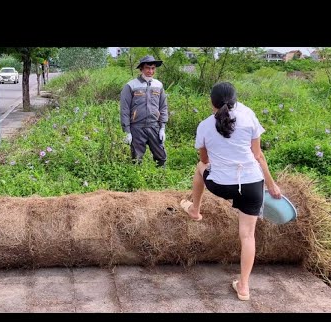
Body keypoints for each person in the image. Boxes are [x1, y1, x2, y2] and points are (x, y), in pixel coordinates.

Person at [181, 81, 281, 301]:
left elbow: (205, 160)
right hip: (252, 184)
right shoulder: (249, 118)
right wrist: (271, 186)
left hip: (222, 185)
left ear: (211, 102)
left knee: (200, 169)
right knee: (247, 236)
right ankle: (244, 287)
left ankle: (195, 210)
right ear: (236, 101)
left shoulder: (204, 125)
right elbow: (259, 156)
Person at [120, 55, 168, 167]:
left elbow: (163, 107)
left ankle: (161, 178)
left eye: (153, 68)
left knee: (161, 157)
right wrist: (127, 131)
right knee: (136, 158)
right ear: (141, 68)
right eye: (147, 68)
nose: (150, 71)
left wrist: (162, 128)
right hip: (137, 127)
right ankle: (136, 180)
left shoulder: (159, 85)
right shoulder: (130, 86)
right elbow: (125, 109)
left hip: (154, 126)